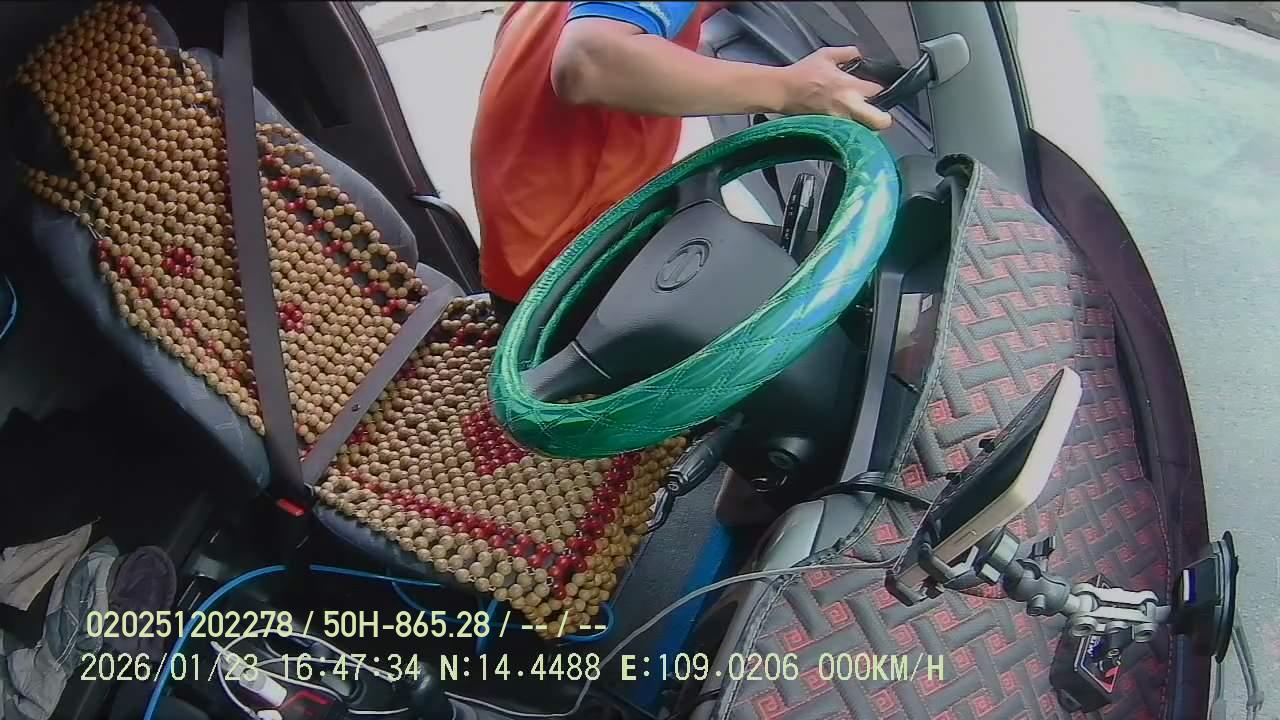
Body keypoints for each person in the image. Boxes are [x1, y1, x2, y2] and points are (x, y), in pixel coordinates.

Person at [471, 1, 892, 318]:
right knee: (847, 293)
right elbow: (588, 62)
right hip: (578, 271)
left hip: (523, 259)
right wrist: (789, 89)